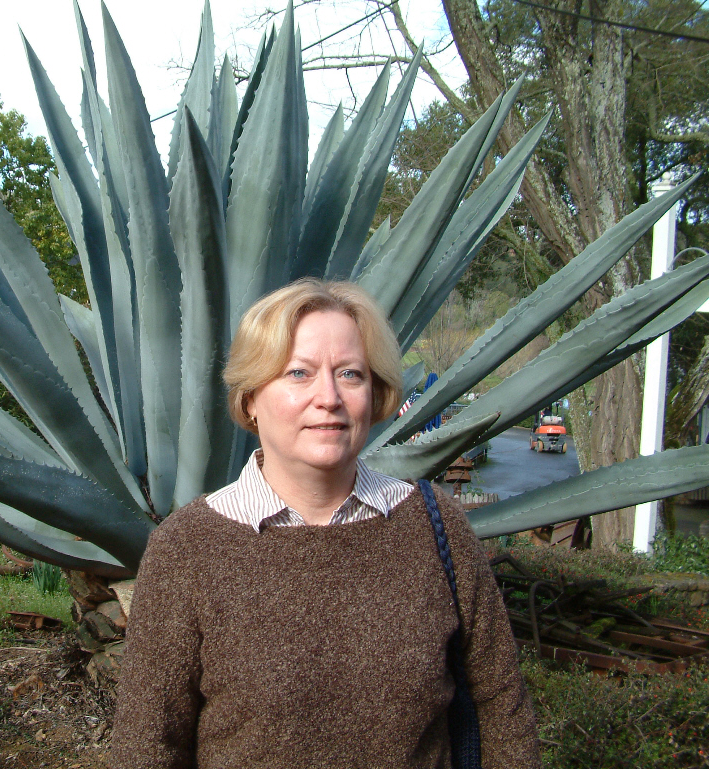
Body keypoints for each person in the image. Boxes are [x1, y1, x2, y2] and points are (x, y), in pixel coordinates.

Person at [111, 279, 540, 769]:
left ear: (375, 394)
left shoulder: (435, 526)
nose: (329, 397)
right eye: (299, 373)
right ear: (251, 398)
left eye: (351, 374)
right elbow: (147, 747)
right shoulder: (187, 549)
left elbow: (503, 710)